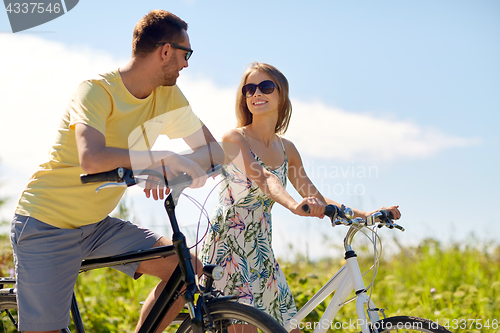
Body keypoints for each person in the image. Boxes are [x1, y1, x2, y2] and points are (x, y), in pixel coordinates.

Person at [11, 10, 224, 333]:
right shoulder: (96, 91)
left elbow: (214, 152)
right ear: (165, 51)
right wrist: (157, 159)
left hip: (96, 225)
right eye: (186, 53)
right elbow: (92, 159)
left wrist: (170, 168)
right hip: (46, 224)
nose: (187, 64)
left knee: (185, 272)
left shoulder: (167, 96)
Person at [201, 62, 401, 328]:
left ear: (281, 95)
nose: (256, 93)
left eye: (266, 87)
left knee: (288, 325)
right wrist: (295, 205)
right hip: (228, 246)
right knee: (245, 326)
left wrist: (367, 215)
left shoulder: (287, 149)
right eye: (249, 89)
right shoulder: (235, 138)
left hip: (261, 248)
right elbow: (265, 178)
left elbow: (312, 193)